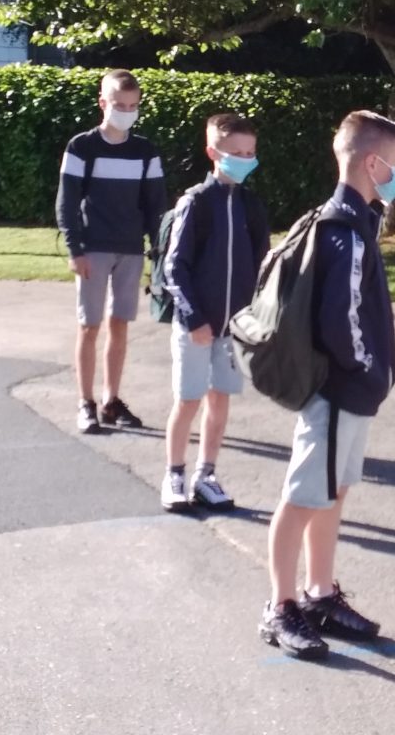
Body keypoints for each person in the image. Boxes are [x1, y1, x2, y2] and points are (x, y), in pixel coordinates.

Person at [258, 109, 395, 661]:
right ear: (372, 164)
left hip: (351, 395)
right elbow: (340, 322)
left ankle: (319, 593)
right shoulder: (345, 231)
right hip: (338, 393)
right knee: (302, 498)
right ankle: (280, 607)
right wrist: (367, 368)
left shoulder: (357, 221)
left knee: (332, 493)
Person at [161, 113, 270, 513]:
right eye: (236, 152)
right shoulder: (196, 203)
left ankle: (205, 475)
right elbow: (175, 267)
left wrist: (255, 317)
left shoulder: (250, 206)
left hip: (233, 329)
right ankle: (174, 474)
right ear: (213, 153)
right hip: (196, 327)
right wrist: (194, 319)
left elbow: (262, 266)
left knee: (220, 400)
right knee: (188, 401)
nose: (245, 159)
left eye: (250, 152)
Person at [56, 69, 167, 434]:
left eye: (133, 106)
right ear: (103, 103)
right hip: (92, 249)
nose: (127, 112)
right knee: (89, 325)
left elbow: (155, 206)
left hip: (131, 250)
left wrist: (158, 252)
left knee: (120, 324)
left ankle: (111, 400)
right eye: (120, 105)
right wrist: (74, 249)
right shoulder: (81, 147)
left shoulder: (145, 151)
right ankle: (85, 402)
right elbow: (66, 203)